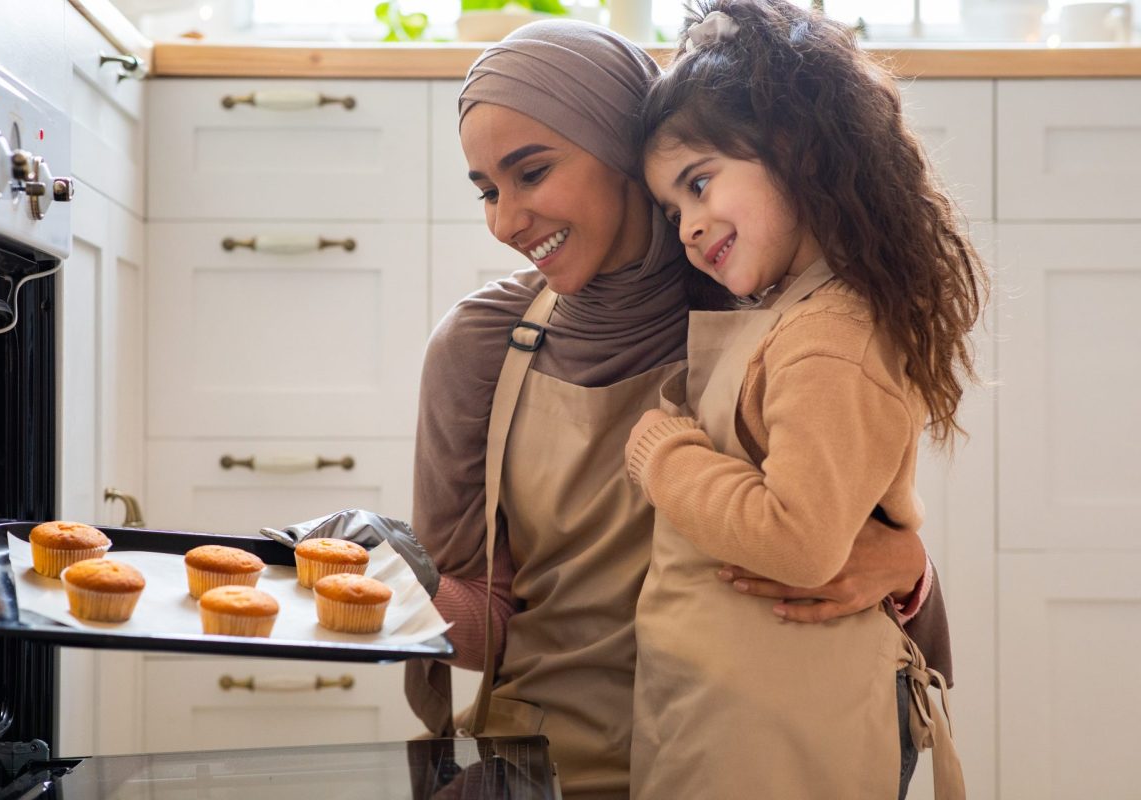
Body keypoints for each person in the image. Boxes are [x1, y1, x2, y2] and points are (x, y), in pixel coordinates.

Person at [403, 18, 953, 799]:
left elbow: (836, 544)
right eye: (489, 190)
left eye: (531, 173)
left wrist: (909, 569)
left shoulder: (769, 313)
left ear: (624, 153)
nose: (504, 219)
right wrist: (391, 588)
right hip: (551, 766)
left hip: (747, 758)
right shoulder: (480, 346)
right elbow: (488, 615)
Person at [623, 2, 985, 798]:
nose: (687, 226)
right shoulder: (790, 314)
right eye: (672, 208)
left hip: (788, 725)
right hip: (737, 713)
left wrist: (664, 453)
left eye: (700, 182)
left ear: (795, 149)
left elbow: (802, 540)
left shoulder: (829, 336)